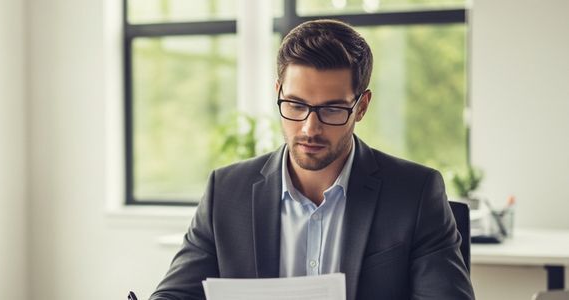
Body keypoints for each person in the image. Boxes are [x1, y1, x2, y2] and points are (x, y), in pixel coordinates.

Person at [149, 19, 474, 300]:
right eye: (295, 105)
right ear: (278, 92)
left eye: (332, 109)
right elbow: (175, 294)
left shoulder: (414, 193)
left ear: (361, 106)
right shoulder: (226, 192)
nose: (309, 127)